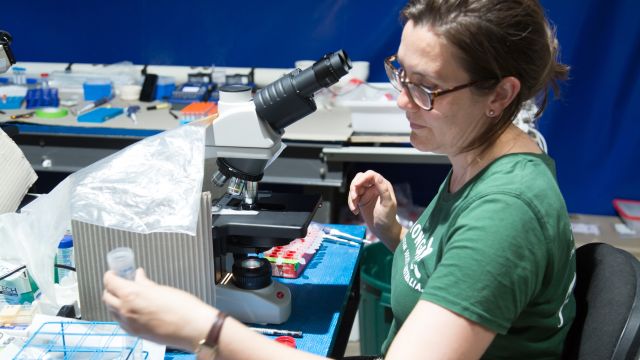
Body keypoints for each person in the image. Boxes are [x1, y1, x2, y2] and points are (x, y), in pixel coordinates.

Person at [103, 0, 575, 358]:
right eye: (400, 74)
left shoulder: (507, 210)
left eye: (425, 88)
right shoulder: (476, 157)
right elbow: (458, 271)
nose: (402, 100)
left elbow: (489, 247)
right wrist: (395, 233)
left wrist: (205, 327)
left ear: (500, 94)